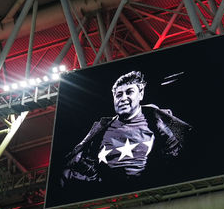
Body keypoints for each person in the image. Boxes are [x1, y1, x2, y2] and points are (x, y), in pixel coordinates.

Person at [61, 70, 191, 190]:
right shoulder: (100, 127)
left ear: (141, 94)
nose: (123, 98)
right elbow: (77, 165)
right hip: (108, 194)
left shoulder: (158, 120)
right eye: (119, 94)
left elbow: (183, 154)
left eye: (129, 92)